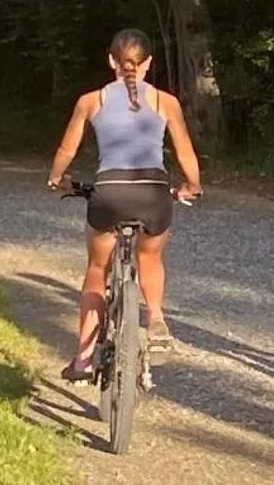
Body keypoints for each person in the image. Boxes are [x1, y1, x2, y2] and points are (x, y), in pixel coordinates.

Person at [46, 28, 202, 384]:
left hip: (110, 192)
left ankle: (84, 359)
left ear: (111, 61)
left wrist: (57, 178)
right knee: (150, 256)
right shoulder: (166, 102)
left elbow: (66, 150)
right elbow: (185, 153)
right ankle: (157, 317)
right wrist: (192, 186)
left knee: (97, 269)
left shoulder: (91, 100)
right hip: (153, 192)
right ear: (147, 63)